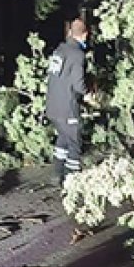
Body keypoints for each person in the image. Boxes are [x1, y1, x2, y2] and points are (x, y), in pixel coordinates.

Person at [45, 17, 89, 186]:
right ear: (85, 35)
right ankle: (72, 181)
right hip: (67, 108)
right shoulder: (78, 55)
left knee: (63, 138)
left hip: (53, 105)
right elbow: (78, 85)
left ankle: (56, 175)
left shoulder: (59, 50)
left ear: (70, 32)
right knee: (75, 143)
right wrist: (88, 93)